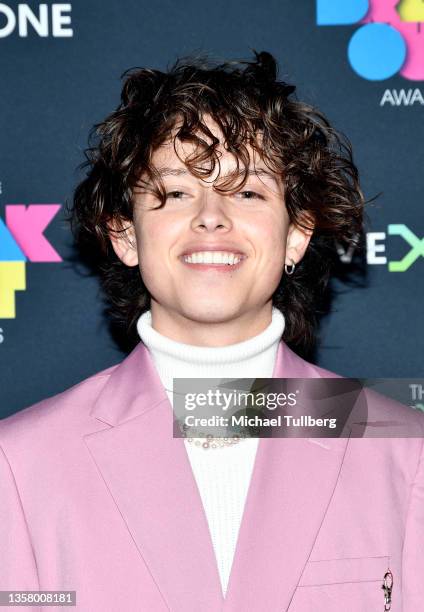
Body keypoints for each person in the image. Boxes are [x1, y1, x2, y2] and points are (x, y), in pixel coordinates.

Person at [0, 50, 422, 612]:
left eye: (247, 192)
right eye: (175, 193)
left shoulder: (402, 449)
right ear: (126, 235)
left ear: (296, 234)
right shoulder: (21, 463)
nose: (211, 216)